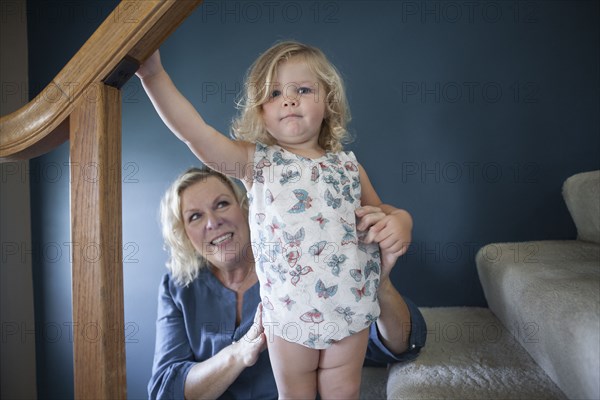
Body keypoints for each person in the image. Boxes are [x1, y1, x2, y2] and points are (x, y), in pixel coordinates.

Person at [138, 41, 420, 399]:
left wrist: (402, 222)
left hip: (349, 308)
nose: (289, 99)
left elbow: (383, 214)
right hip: (287, 315)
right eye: (274, 93)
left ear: (328, 101)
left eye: (302, 89)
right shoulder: (257, 165)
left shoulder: (349, 167)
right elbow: (196, 133)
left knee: (344, 392)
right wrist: (153, 75)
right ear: (261, 111)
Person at [147, 167, 426, 399]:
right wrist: (240, 352)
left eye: (222, 204)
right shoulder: (178, 287)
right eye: (195, 216)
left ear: (246, 208)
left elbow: (400, 345)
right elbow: (166, 389)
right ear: (183, 234)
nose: (213, 222)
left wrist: (380, 283)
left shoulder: (299, 264)